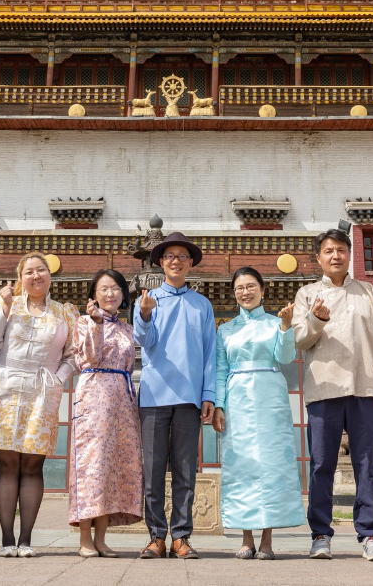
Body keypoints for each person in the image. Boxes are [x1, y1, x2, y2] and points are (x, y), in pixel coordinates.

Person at [292, 229, 373, 562]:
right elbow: (300, 339)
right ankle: (320, 534)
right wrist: (316, 319)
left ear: (350, 254)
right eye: (328, 251)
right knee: (321, 464)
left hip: (365, 386)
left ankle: (370, 535)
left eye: (341, 249)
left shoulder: (369, 293)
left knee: (367, 463)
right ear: (319, 258)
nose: (335, 256)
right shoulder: (307, 294)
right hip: (323, 387)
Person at [0, 252, 78, 558]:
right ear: (20, 278)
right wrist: (5, 309)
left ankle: (26, 538)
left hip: (42, 390)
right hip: (3, 388)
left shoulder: (64, 312)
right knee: (7, 464)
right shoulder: (5, 302)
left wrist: (58, 378)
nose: (36, 276)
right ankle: (7, 539)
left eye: (41, 270)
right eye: (29, 271)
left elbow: (74, 353)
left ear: (50, 276)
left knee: (33, 465)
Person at [212, 266, 306, 560]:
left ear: (262, 290)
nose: (245, 292)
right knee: (242, 466)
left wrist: (286, 326)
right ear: (234, 293)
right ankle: (246, 538)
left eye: (251, 286)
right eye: (239, 288)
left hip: (270, 398)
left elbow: (285, 357)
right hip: (237, 399)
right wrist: (219, 405)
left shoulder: (275, 323)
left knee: (271, 465)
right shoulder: (225, 329)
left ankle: (267, 538)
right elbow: (220, 369)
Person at [133, 231, 216, 560]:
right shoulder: (149, 299)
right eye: (170, 256)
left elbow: (210, 353)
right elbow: (145, 341)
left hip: (189, 397)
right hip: (154, 395)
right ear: (161, 263)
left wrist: (208, 393)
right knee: (153, 471)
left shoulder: (202, 304)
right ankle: (156, 536)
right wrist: (144, 315)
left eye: (182, 256)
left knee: (185, 470)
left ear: (190, 262)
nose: (176, 261)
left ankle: (181, 536)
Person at [68, 268, 144, 557]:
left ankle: (101, 539)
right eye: (104, 289)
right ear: (94, 295)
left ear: (123, 294)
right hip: (94, 396)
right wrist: (97, 324)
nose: (110, 294)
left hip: (122, 399)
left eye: (115, 288)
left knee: (112, 467)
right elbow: (89, 357)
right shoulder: (84, 322)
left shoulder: (127, 328)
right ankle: (85, 539)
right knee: (92, 465)